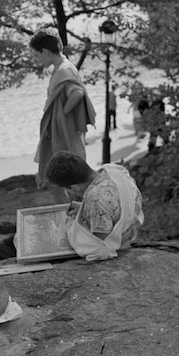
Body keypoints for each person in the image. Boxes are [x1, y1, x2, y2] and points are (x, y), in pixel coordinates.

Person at [45, 150, 144, 261]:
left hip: (124, 238)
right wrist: (84, 208)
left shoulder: (95, 199)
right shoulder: (113, 169)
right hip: (134, 223)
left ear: (75, 188)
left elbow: (100, 244)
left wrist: (71, 230)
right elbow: (113, 201)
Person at [30, 28, 96, 189]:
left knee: (68, 176)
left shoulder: (64, 69)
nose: (38, 60)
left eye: (37, 56)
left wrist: (62, 114)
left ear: (45, 52)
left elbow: (77, 93)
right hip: (62, 129)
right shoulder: (61, 68)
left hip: (66, 129)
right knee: (63, 177)